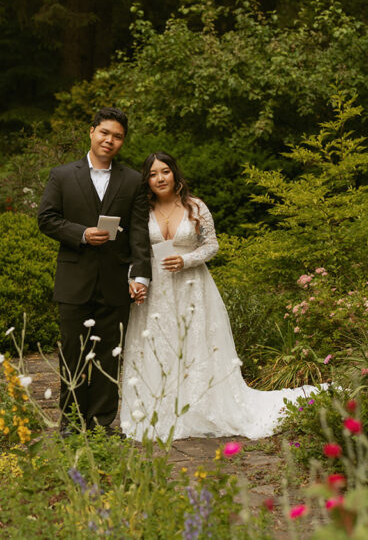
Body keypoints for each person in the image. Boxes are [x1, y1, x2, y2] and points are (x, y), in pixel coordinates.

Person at [120, 152, 326, 441]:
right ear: (147, 180)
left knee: (194, 344)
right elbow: (133, 250)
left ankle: (199, 408)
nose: (160, 178)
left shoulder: (195, 207)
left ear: (175, 174)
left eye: (164, 171)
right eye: (153, 174)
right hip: (156, 291)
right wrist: (134, 280)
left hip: (192, 285)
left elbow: (212, 246)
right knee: (158, 345)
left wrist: (186, 260)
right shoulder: (142, 211)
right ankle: (160, 410)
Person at [37, 108, 152, 436]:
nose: (109, 140)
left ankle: (102, 425)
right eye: (105, 133)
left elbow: (139, 232)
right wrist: (82, 234)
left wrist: (140, 275)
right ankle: (71, 424)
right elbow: (46, 218)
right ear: (91, 132)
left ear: (122, 141)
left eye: (117, 136)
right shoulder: (62, 175)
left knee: (107, 356)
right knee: (72, 354)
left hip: (115, 282)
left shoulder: (132, 180)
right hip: (74, 282)